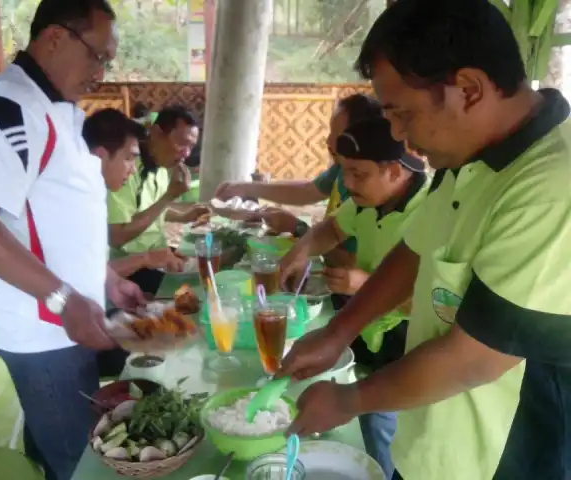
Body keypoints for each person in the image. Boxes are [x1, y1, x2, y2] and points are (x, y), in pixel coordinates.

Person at [279, 1, 571, 480]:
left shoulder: (551, 187)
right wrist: (338, 332)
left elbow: (473, 359)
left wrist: (350, 400)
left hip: (497, 462)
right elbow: (417, 248)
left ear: (469, 90)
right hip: (428, 448)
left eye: (402, 113)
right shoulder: (470, 157)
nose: (398, 134)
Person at [0, 2, 146, 479]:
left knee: (61, 443)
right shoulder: (8, 107)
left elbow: (62, 216)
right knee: (79, 463)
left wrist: (105, 279)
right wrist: (63, 299)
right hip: (43, 330)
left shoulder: (60, 108)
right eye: (97, 56)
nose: (101, 73)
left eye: (108, 62)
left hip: (71, 317)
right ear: (55, 38)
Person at [280, 117, 428, 479]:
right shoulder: (366, 202)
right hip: (366, 337)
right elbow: (330, 228)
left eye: (357, 174)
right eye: (343, 172)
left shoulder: (430, 211)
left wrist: (364, 284)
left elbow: (433, 304)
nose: (346, 184)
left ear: (394, 172)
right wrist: (300, 253)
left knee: (389, 437)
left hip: (410, 349)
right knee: (367, 429)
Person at [214, 94, 383, 267]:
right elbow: (307, 191)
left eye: (337, 135)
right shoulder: (341, 170)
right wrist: (246, 188)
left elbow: (351, 264)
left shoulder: (370, 195)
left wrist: (298, 228)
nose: (328, 141)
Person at [107, 105, 209, 294]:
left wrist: (185, 215)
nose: (186, 153)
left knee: (208, 266)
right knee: (196, 292)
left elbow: (149, 209)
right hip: (130, 264)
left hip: (158, 253)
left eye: (191, 147)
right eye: (181, 143)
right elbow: (117, 237)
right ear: (156, 133)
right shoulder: (124, 169)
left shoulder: (162, 166)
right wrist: (170, 195)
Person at [82, 107, 186, 278]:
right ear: (100, 156)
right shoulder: (75, 206)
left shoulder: (95, 196)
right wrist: (143, 259)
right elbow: (83, 276)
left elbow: (99, 270)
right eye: (129, 158)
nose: (133, 169)